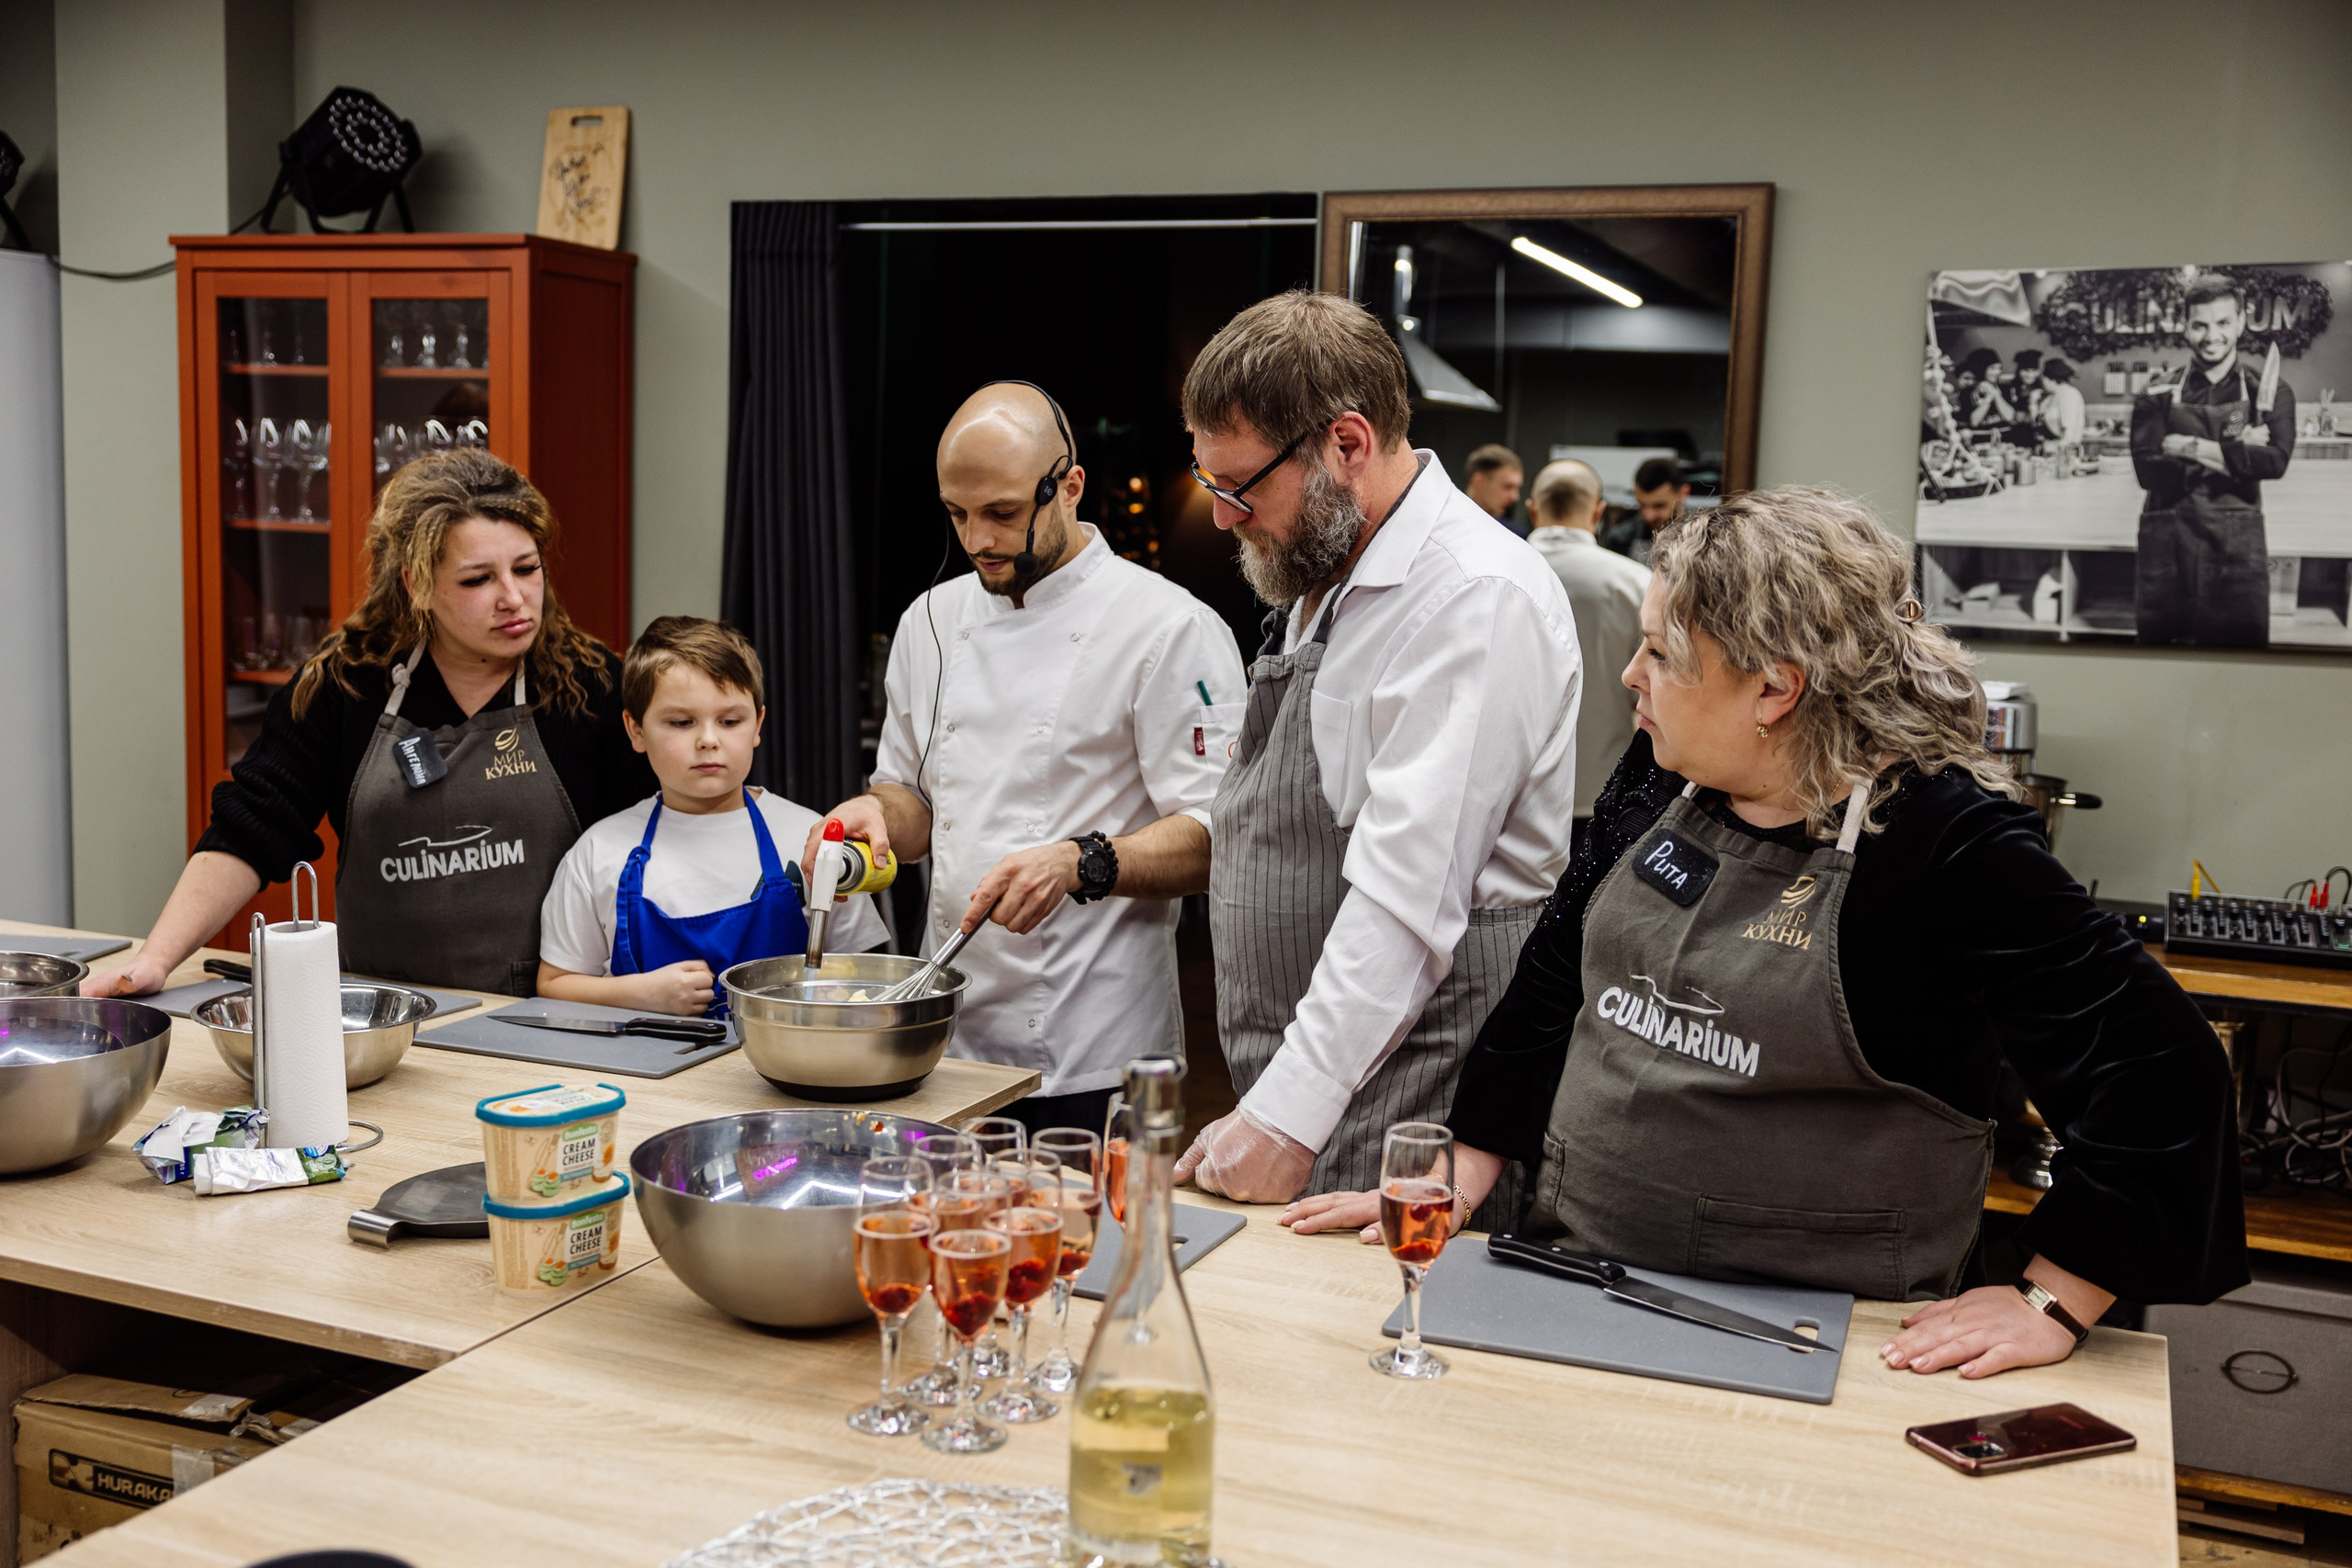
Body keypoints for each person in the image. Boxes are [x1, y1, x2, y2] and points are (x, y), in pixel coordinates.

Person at [1284, 487, 2247, 1378]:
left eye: (1661, 653)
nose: (1630, 674)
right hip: (1582, 1287)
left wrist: (2052, 1297)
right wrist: (1467, 1161)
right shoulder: (1665, 772)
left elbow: (2164, 1074)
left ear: (1774, 691)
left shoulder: (1945, 842)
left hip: (1828, 1340)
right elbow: (1557, 972)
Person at [1171, 290, 1580, 1216]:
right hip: (1320, 1057)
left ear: (1348, 445)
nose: (1225, 517)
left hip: (1418, 1070)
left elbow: (1408, 896)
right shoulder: (1326, 568)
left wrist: (1283, 1120)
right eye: (1212, 486)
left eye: (1241, 487)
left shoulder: (1472, 598)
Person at [810, 381, 1246, 1137]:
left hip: (1097, 1051)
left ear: (1068, 486)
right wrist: (872, 814)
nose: (978, 538)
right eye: (958, 513)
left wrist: (1081, 862)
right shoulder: (932, 621)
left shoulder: (1168, 626)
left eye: (1004, 513)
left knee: (1089, 1253)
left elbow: (1219, 836)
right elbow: (914, 802)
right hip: (945, 1039)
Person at [84, 450, 652, 999]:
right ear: (417, 585)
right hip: (384, 1017)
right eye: (478, 580)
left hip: (549, 1019)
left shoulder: (591, 687)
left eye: (527, 569)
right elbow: (251, 828)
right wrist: (155, 960)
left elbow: (658, 842)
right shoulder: (346, 686)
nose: (514, 598)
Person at [536, 616, 887, 1016]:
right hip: (642, 1076)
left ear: (758, 725)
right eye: (682, 722)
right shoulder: (599, 852)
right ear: (635, 730)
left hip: (788, 1072)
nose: (708, 740)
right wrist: (640, 994)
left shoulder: (813, 840)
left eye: (730, 721)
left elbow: (865, 980)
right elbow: (553, 985)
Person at [2132, 276, 2295, 648]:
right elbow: (2149, 471)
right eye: (2200, 324)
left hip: (2238, 544)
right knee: (2162, 658)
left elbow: (2274, 462)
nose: (2211, 335)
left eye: (2222, 323)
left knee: (2239, 664)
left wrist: (2186, 445)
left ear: (2240, 323)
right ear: (2185, 327)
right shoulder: (2156, 392)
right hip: (2168, 538)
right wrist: (2238, 448)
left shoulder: (2268, 391)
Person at [1525, 459, 1648, 861]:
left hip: (1506, 795)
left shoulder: (1479, 573)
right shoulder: (1636, 584)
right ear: (1599, 512)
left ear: (1532, 509)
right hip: (1602, 791)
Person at [1600, 456, 1689, 565]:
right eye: (1641, 505)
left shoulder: (1703, 537)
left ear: (1683, 493)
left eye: (1659, 506)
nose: (1648, 516)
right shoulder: (1619, 539)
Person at [1463, 444, 1526, 536]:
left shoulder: (1516, 536)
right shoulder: (1442, 526)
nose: (1515, 497)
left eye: (1517, 488)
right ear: (1479, 481)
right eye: (1507, 487)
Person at [2040, 358, 2086, 468]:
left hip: (2064, 455)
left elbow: (2068, 430)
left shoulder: (2068, 394)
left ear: (2050, 378)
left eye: (2044, 378)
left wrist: (2061, 456)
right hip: (2049, 453)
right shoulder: (2052, 396)